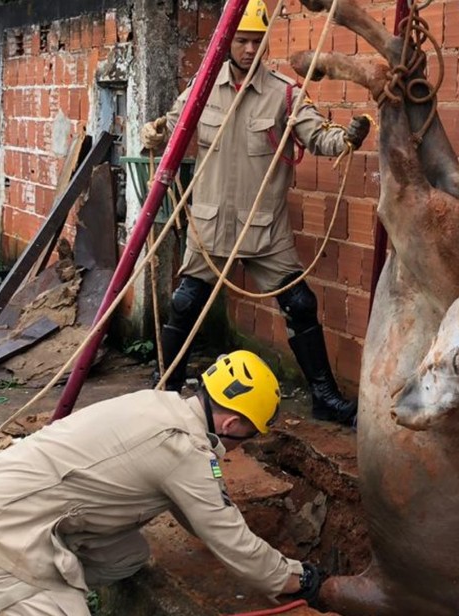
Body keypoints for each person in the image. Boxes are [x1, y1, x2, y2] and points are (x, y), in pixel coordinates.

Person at [0, 350, 322, 616]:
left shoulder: (157, 403)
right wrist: (300, 580)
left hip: (6, 496)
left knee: (127, 555)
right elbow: (229, 538)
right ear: (232, 424)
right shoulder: (185, 450)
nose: (242, 445)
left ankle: (0, 586)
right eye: (249, 436)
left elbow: (201, 514)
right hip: (3, 527)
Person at [140, 0, 370, 427]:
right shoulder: (202, 89)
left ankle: (324, 397)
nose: (249, 50)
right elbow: (170, 129)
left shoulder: (284, 93)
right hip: (210, 226)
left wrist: (347, 139)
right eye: (242, 41)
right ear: (229, 42)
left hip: (264, 228)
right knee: (185, 303)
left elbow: (318, 137)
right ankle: (165, 387)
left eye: (257, 42)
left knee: (300, 303)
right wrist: (153, 134)